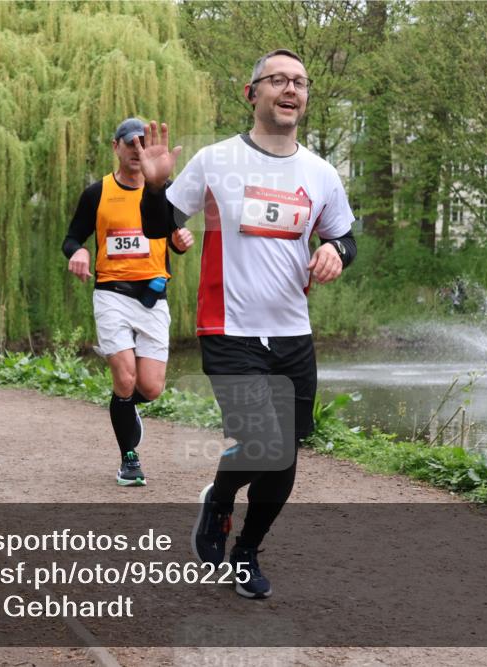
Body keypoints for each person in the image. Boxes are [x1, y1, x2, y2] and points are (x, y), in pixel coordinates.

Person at [137, 49, 357, 598]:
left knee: (285, 451)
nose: (291, 89)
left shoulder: (321, 173)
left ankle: (247, 550)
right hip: (228, 327)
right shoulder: (216, 161)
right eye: (277, 79)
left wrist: (336, 251)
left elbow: (346, 236)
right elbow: (157, 226)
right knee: (265, 441)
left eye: (300, 82)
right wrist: (155, 186)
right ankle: (219, 501)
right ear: (251, 92)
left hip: (292, 331)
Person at [62, 117, 194, 487]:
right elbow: (72, 238)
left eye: (142, 144)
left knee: (149, 388)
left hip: (153, 297)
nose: (137, 150)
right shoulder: (97, 193)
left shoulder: (164, 192)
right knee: (124, 376)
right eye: (130, 144)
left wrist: (180, 242)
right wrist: (80, 253)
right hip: (112, 294)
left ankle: (125, 407)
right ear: (115, 147)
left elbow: (174, 238)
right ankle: (129, 459)